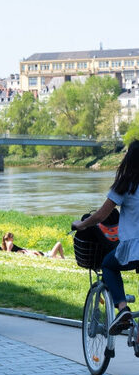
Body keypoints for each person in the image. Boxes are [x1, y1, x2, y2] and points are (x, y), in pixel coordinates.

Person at [72, 140, 139, 335]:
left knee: (109, 265)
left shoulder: (126, 184)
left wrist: (81, 224)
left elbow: (101, 215)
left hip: (132, 247)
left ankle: (123, 309)